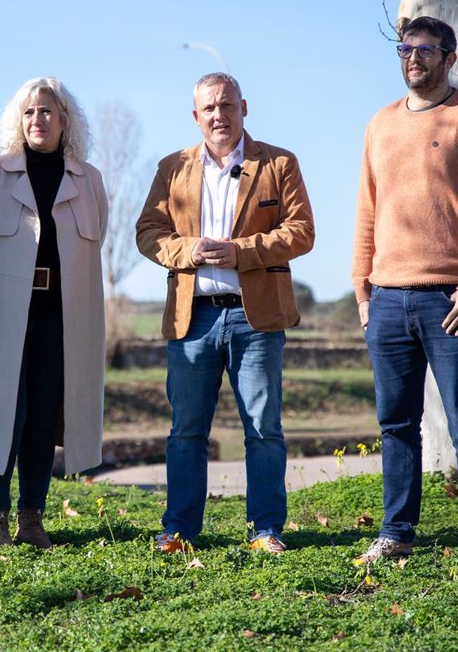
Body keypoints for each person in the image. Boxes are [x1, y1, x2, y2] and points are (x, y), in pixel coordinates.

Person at [351, 16, 458, 580]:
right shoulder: (378, 124)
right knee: (395, 425)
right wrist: (362, 289)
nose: (413, 58)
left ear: (450, 57)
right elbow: (367, 213)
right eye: (405, 48)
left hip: (451, 300)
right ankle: (396, 533)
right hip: (388, 299)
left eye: (425, 50)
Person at [136, 72, 314, 554]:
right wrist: (187, 250)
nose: (219, 115)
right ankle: (179, 530)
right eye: (209, 108)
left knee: (263, 428)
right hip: (192, 318)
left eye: (227, 105)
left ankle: (266, 530)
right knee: (187, 430)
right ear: (196, 116)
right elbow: (148, 232)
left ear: (244, 108)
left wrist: (242, 252)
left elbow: (301, 231)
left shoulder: (278, 163)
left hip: (255, 319)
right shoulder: (172, 167)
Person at [0, 78, 108, 550]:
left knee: (42, 417)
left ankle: (31, 519)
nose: (37, 120)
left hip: (62, 317)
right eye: (29, 113)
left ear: (64, 120)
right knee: (1, 414)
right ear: (18, 122)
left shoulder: (88, 179)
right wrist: (6, 276)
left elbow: (95, 240)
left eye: (46, 112)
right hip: (0, 314)